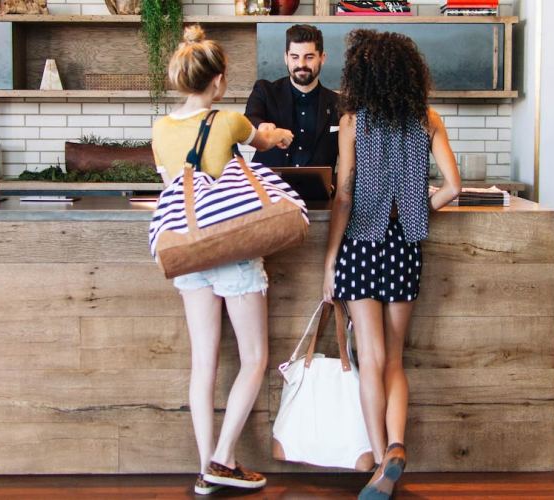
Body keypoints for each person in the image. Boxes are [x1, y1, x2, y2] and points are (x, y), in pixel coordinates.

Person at [150, 25, 294, 496]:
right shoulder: (228, 120)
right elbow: (265, 139)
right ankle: (223, 459)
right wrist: (280, 134)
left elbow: (172, 180)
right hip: (232, 247)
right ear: (217, 81)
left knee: (203, 365)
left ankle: (204, 470)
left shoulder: (160, 129)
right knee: (254, 357)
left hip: (190, 252)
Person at [322, 30, 461, 500]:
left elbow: (343, 195)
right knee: (396, 360)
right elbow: (453, 188)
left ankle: (381, 464)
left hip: (361, 244)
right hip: (404, 247)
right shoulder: (428, 118)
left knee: (371, 361)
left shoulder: (352, 122)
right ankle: (398, 444)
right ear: (408, 71)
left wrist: (329, 261)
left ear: (360, 76)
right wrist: (418, 210)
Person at [245, 24, 340, 170]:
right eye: (294, 57)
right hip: (268, 188)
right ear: (286, 58)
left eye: (309, 57)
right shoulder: (265, 90)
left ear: (322, 58)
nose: (301, 64)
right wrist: (262, 126)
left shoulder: (338, 103)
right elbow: (248, 119)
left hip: (318, 191)